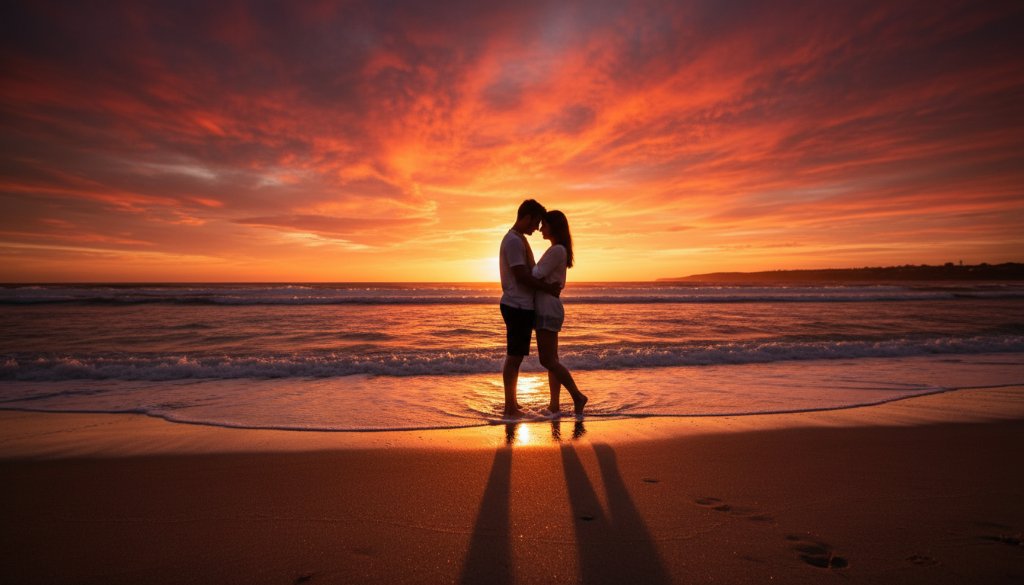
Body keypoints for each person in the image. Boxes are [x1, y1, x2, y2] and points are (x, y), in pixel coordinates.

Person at [499, 199, 561, 418]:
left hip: (520, 305)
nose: (537, 228)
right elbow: (521, 275)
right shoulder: (514, 241)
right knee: (514, 357)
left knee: (516, 356)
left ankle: (512, 405)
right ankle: (509, 407)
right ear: (526, 217)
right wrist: (547, 288)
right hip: (516, 305)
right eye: (535, 223)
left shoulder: (518, 239)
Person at [532, 210, 588, 415]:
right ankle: (554, 405)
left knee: (547, 360)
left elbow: (536, 273)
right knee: (552, 359)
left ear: (553, 227)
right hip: (549, 305)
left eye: (544, 225)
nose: (540, 229)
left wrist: (528, 264)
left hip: (547, 307)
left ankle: (577, 396)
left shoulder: (556, 251)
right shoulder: (558, 250)